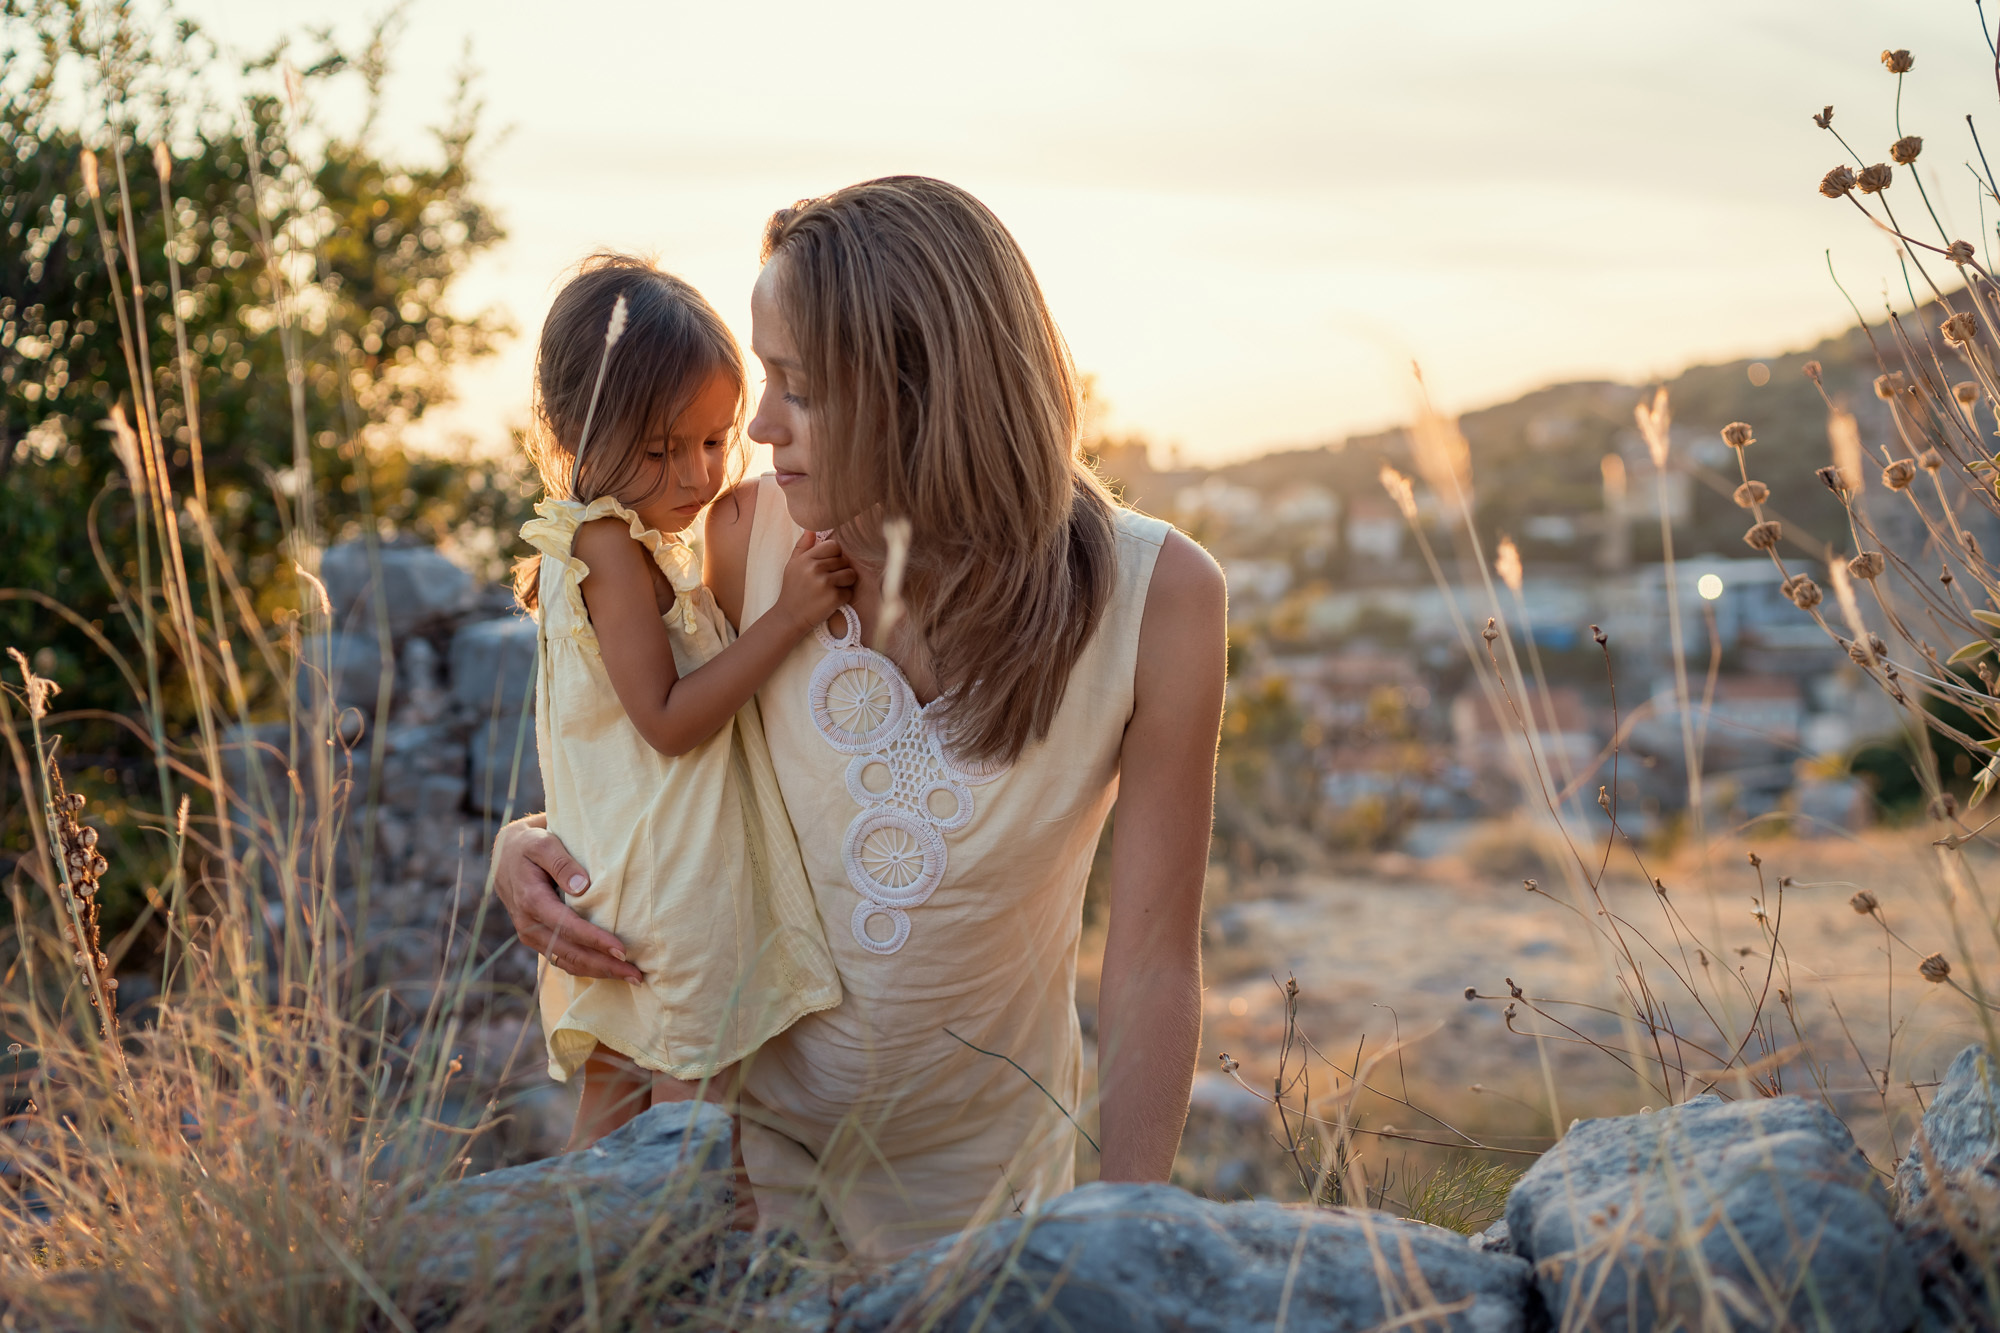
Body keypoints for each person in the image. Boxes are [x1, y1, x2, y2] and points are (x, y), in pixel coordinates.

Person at [495, 180, 1227, 1260]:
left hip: (981, 1205)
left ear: (918, 390)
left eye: (796, 385)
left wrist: (1121, 1234)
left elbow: (1153, 960)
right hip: (736, 1175)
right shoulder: (745, 540)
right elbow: (656, 757)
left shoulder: (1158, 598)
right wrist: (524, 842)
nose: (755, 426)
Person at [512, 253, 850, 1152]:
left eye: (714, 440)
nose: (698, 475)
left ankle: (582, 1282)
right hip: (670, 885)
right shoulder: (609, 547)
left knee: (616, 1107)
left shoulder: (598, 538)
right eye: (662, 449)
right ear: (573, 429)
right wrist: (786, 619)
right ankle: (696, 1285)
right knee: (697, 1136)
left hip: (624, 870)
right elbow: (665, 721)